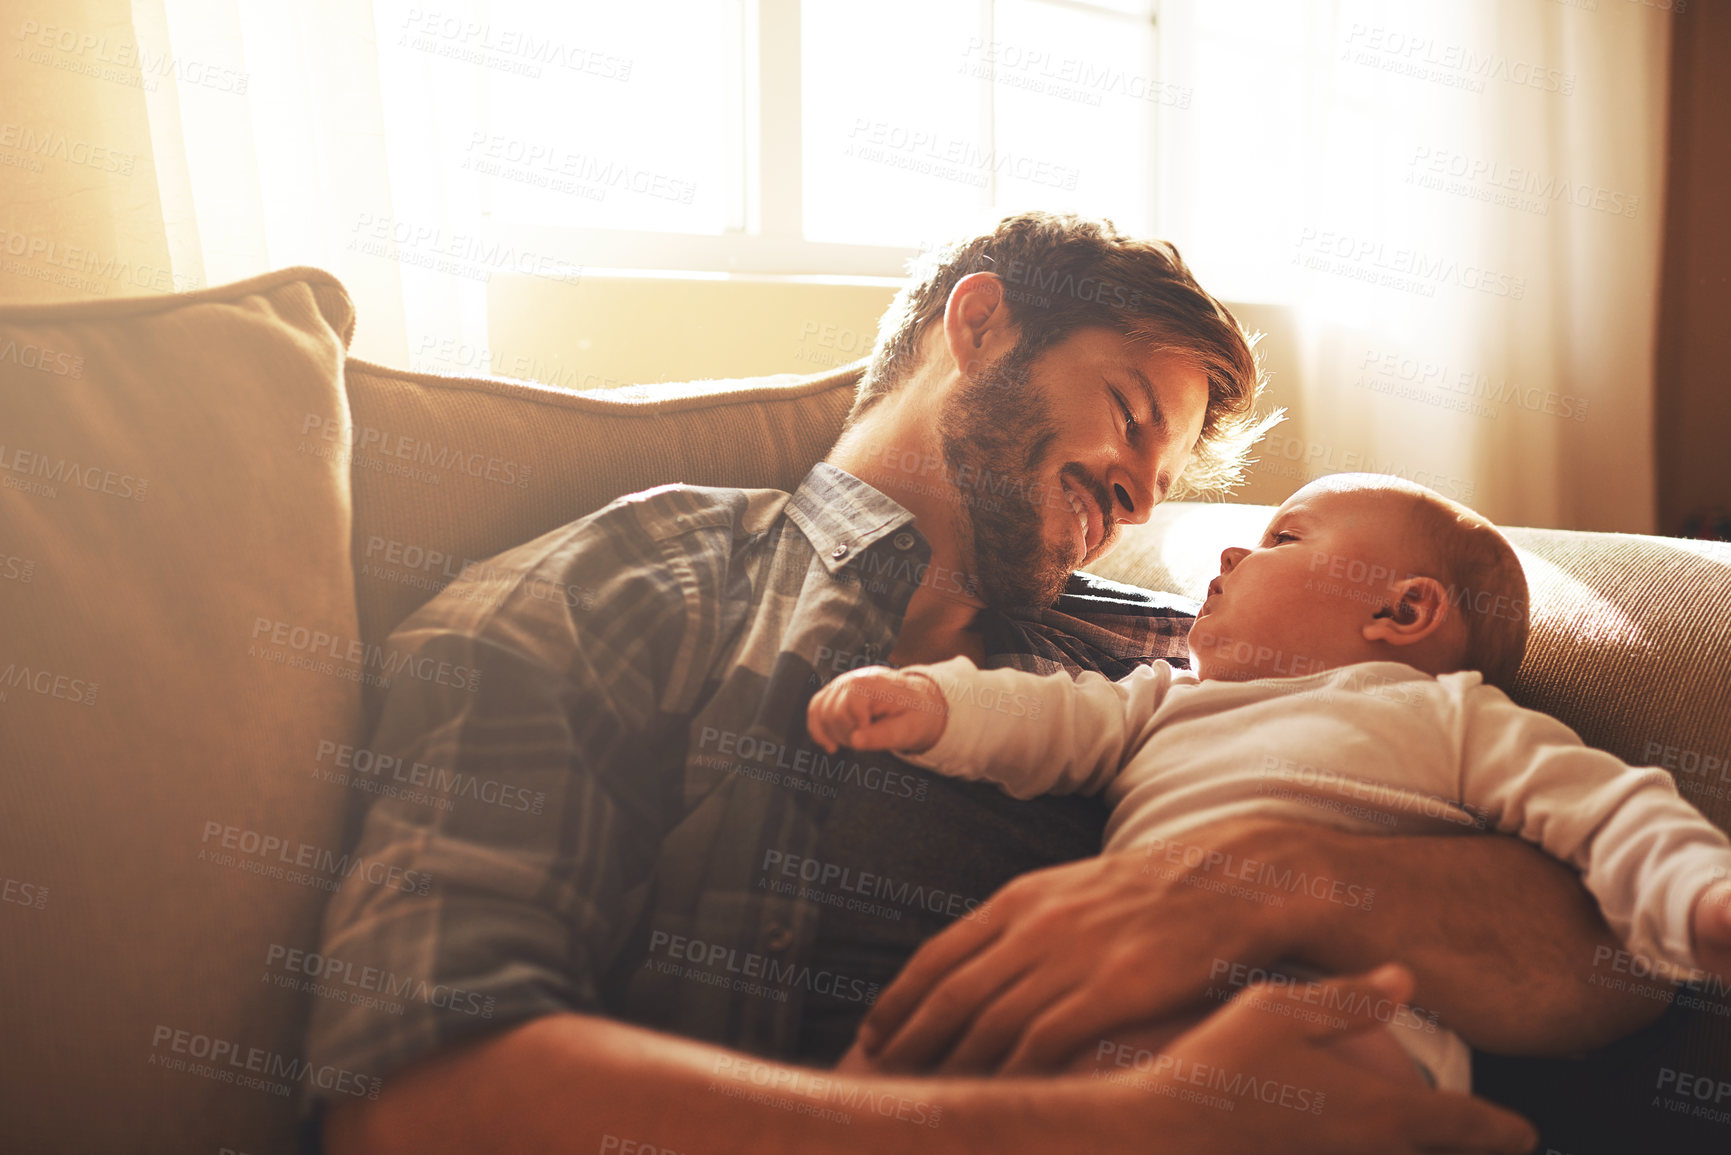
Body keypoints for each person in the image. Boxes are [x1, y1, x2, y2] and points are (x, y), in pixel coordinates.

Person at [307, 213, 1654, 1155]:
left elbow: (1614, 963)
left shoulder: (1172, 661)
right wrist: (1102, 1132)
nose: (1137, 497)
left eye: (1164, 480)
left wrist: (1278, 871)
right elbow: (419, 1094)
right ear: (978, 322)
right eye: (1131, 415)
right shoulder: (636, 586)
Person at [808, 473, 1731, 1093]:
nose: (1229, 557)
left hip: (1354, 1027)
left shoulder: (1447, 715)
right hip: (1137, 999)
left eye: (1282, 537)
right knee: (955, 1062)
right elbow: (1045, 719)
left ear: (1401, 608)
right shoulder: (1161, 700)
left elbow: (1607, 808)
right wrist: (929, 703)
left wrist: (1696, 894)